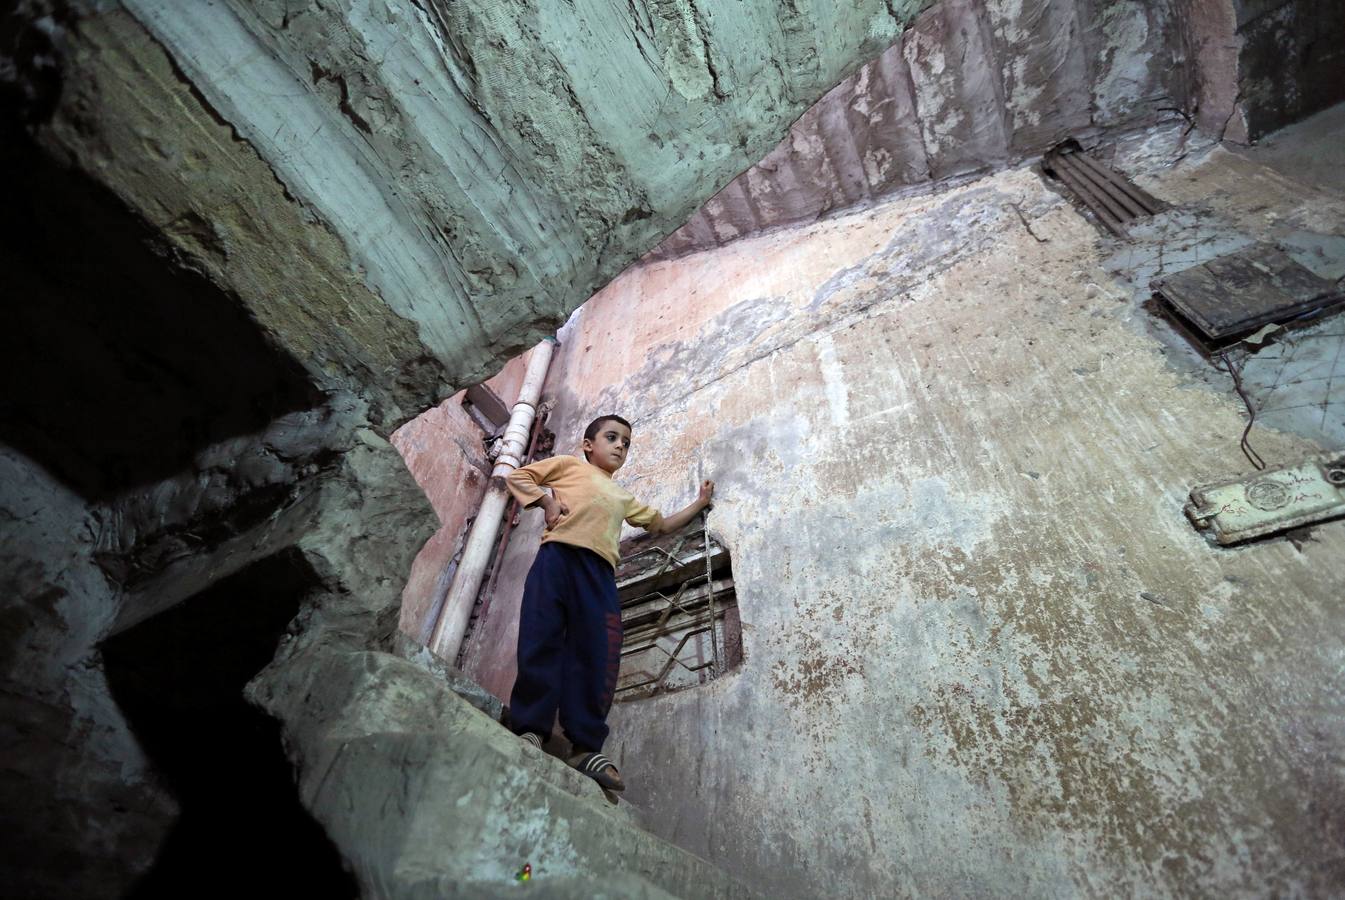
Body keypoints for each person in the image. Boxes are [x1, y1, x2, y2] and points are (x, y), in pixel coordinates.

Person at [504, 413, 714, 791]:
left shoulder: (622, 496)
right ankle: (530, 728)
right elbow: (519, 476)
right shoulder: (569, 466)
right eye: (612, 438)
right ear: (588, 445)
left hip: (599, 574)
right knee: (541, 638)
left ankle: (584, 747)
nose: (620, 446)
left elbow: (661, 525)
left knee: (597, 653)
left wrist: (699, 503)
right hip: (557, 559)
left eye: (626, 443)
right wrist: (547, 503)